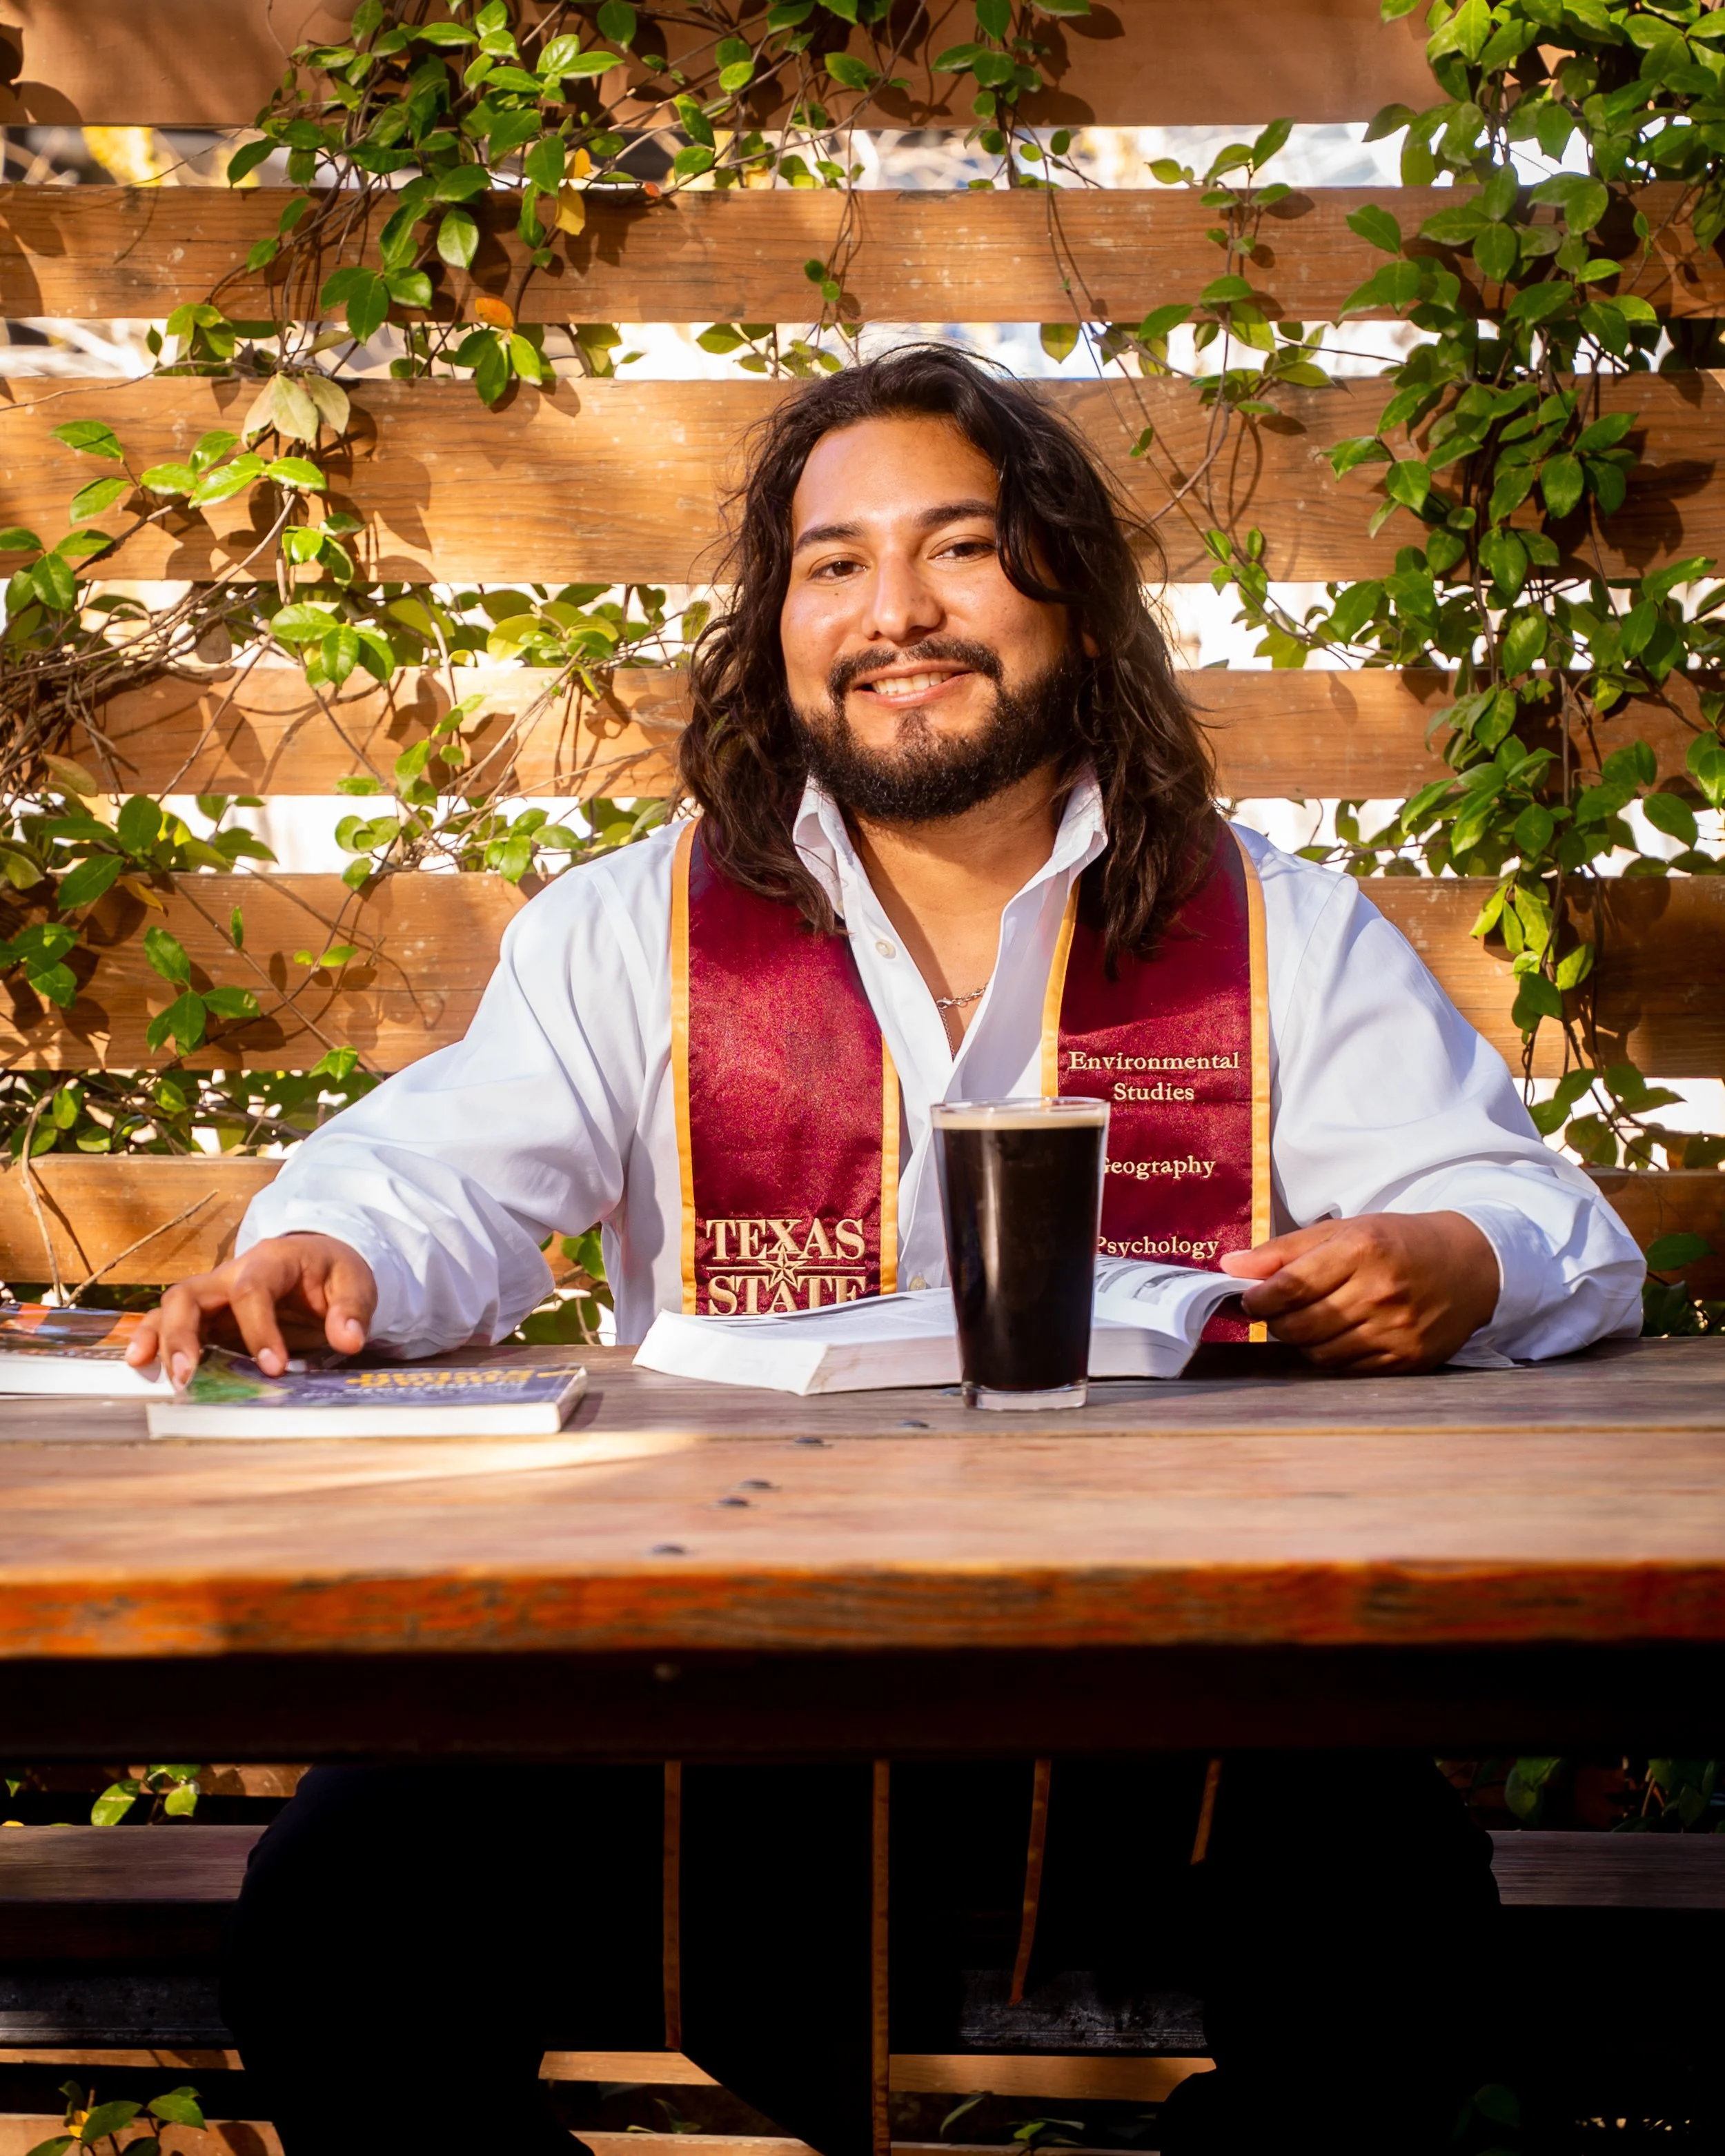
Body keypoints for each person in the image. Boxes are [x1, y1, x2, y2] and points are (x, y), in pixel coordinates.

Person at [131, 348, 1643, 2155]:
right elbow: (439, 1171)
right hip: (694, 1701)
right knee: (337, 1924)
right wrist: (325, 1247)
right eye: (832, 561)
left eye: (961, 549)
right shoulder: (633, 930)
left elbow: (1543, 1225)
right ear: (775, 627)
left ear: (1072, 601)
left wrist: (1458, 1257)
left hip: (1165, 1705)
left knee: (1399, 1939)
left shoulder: (1278, 935)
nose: (894, 610)